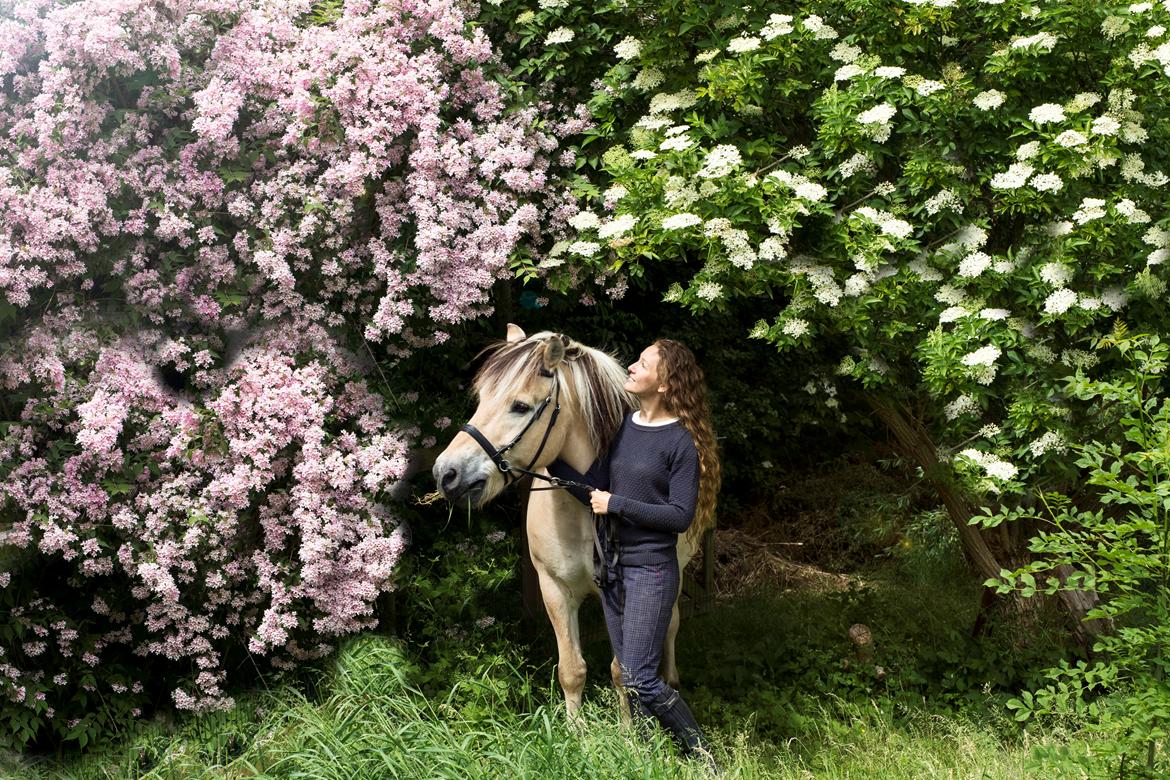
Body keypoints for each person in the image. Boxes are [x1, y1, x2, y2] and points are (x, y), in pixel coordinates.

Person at [549, 338, 720, 762]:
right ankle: (647, 761)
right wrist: (548, 461)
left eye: (642, 364)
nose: (631, 367)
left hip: (651, 571)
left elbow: (679, 516)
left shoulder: (681, 442)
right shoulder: (626, 426)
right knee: (629, 674)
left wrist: (617, 504)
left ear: (664, 383)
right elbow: (598, 484)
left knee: (642, 676)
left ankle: (703, 758)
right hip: (614, 570)